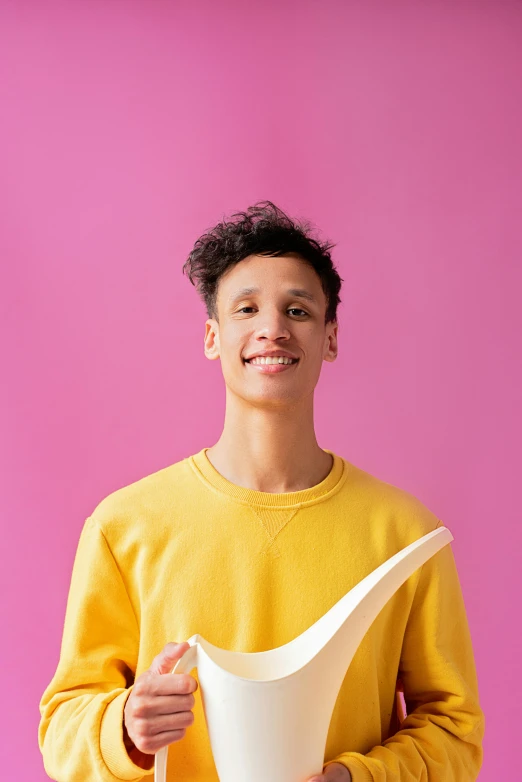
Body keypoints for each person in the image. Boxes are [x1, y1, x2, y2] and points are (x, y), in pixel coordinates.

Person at [38, 201, 485, 781]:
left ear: (329, 337)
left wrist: (357, 778)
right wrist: (125, 726)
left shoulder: (407, 535)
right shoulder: (123, 526)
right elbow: (64, 724)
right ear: (212, 337)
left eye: (297, 309)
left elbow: (454, 729)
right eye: (246, 308)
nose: (272, 327)